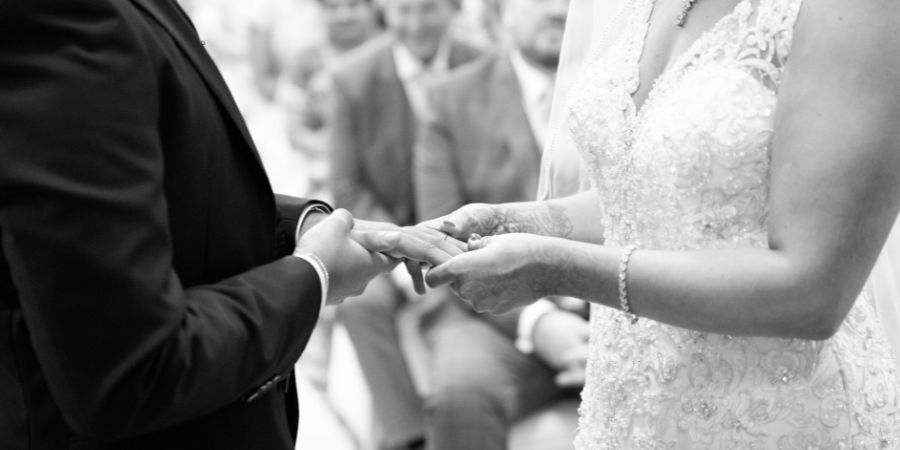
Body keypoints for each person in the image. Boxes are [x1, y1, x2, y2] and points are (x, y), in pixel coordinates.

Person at [421, 0, 900, 447]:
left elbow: (813, 291)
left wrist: (555, 269)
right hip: (628, 409)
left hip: (777, 413)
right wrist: (514, 222)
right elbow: (648, 195)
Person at [0, 1, 457, 449]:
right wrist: (313, 273)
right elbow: (131, 368)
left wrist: (302, 225)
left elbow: (151, 192)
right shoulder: (66, 16)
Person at [412, 0, 581, 448]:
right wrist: (540, 324)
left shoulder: (638, 80)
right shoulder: (449, 99)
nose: (558, 10)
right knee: (461, 394)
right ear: (502, 11)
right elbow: (441, 243)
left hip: (626, 304)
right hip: (494, 315)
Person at [326, 0, 481, 448]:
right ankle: (406, 436)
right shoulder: (351, 78)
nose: (415, 25)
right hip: (388, 235)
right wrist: (401, 243)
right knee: (359, 305)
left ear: (452, 9)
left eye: (428, 9)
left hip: (468, 231)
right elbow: (348, 187)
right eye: (403, 11)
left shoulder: (484, 63)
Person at [281, 0, 381, 200]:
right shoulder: (304, 59)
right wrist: (335, 147)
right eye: (332, 8)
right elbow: (294, 130)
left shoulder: (390, 52)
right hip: (326, 165)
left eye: (353, 5)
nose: (343, 15)